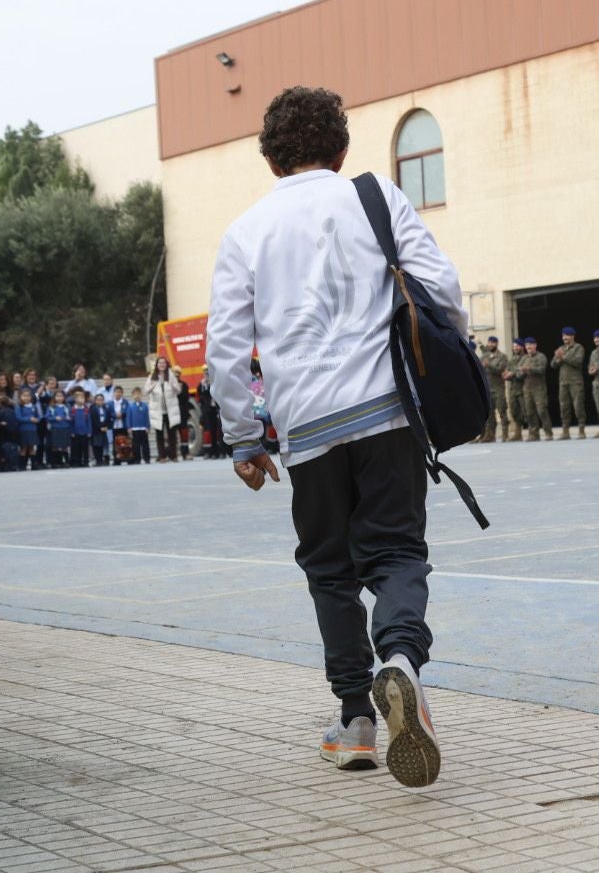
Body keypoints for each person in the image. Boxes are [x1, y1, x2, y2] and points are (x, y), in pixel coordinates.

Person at [206, 85, 464, 788]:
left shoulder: (246, 232)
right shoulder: (375, 196)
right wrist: (444, 363)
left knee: (330, 571)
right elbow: (442, 288)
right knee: (399, 553)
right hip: (386, 412)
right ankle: (402, 660)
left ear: (269, 160)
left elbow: (226, 352)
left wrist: (242, 438)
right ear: (343, 148)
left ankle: (354, 720)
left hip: (306, 429)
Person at [550, 327, 587, 440]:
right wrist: (558, 358)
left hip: (575, 382)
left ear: (572, 336)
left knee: (578, 406)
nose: (565, 338)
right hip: (563, 382)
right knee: (564, 407)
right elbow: (553, 364)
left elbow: (577, 361)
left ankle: (581, 430)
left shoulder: (578, 347)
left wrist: (563, 357)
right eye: (563, 335)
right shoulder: (560, 348)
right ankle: (565, 431)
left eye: (567, 335)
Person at [146, 356, 183, 462]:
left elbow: (178, 390)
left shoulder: (171, 375)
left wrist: (172, 385)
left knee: (172, 434)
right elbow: (146, 390)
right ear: (156, 365)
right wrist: (153, 384)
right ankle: (162, 456)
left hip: (170, 410)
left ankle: (173, 455)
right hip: (158, 411)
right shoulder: (152, 376)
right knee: (159, 435)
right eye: (160, 363)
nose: (162, 365)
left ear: (166, 365)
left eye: (164, 363)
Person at [518, 337, 551, 441]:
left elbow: (542, 369)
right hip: (527, 388)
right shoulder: (523, 358)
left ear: (535, 345)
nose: (529, 347)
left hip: (539, 388)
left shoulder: (541, 356)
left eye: (531, 344)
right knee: (529, 412)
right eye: (527, 345)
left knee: (542, 410)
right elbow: (518, 375)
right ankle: (533, 434)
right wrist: (523, 372)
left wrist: (529, 369)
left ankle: (548, 432)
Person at [479, 336, 510, 442]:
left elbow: (501, 369)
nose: (491, 344)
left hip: (498, 388)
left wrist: (489, 365)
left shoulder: (502, 356)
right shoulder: (484, 356)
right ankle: (489, 435)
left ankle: (505, 434)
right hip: (488, 389)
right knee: (489, 414)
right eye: (489, 342)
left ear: (496, 344)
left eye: (493, 343)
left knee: (502, 411)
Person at [503, 337, 528, 441]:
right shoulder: (512, 359)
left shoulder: (526, 358)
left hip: (523, 388)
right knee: (514, 411)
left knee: (526, 411)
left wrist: (512, 373)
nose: (515, 348)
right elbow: (507, 371)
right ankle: (518, 434)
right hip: (513, 388)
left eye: (517, 346)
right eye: (514, 346)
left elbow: (521, 374)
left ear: (522, 347)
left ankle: (532, 432)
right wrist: (506, 375)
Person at [15, 387, 40, 470]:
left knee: (32, 447)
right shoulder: (19, 407)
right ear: (20, 397)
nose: (26, 397)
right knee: (24, 447)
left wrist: (37, 420)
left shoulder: (34, 406)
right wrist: (29, 419)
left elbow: (37, 416)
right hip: (23, 430)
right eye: (24, 396)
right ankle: (22, 465)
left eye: (28, 396)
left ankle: (34, 465)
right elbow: (18, 418)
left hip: (32, 430)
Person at [46, 392, 71, 467]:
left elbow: (71, 415)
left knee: (65, 446)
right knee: (55, 446)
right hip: (55, 428)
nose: (59, 398)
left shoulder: (67, 406)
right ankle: (56, 462)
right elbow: (47, 417)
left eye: (61, 396)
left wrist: (69, 418)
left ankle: (66, 461)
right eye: (57, 396)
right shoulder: (51, 407)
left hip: (65, 428)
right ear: (54, 397)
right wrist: (54, 418)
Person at [128, 387, 152, 464]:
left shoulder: (145, 406)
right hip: (134, 429)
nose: (137, 396)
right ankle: (137, 459)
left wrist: (148, 426)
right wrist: (129, 427)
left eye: (138, 394)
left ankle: (147, 458)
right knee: (136, 445)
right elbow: (128, 418)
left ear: (141, 395)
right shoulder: (130, 406)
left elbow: (147, 417)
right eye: (135, 394)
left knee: (145, 444)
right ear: (132, 395)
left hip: (143, 428)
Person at [69, 388, 93, 467]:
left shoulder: (86, 409)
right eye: (79, 398)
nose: (81, 400)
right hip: (76, 432)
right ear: (75, 399)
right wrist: (72, 431)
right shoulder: (73, 409)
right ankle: (77, 461)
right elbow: (71, 422)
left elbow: (89, 421)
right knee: (76, 448)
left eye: (83, 398)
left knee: (85, 448)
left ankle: (85, 461)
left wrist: (89, 431)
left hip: (85, 432)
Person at [90, 392, 111, 466]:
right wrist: (100, 427)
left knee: (102, 445)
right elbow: (94, 420)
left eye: (101, 400)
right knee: (96, 446)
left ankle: (102, 460)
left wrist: (106, 427)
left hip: (104, 429)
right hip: (96, 430)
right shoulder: (93, 408)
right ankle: (97, 460)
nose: (100, 401)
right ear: (95, 401)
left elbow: (108, 418)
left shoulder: (106, 408)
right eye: (98, 400)